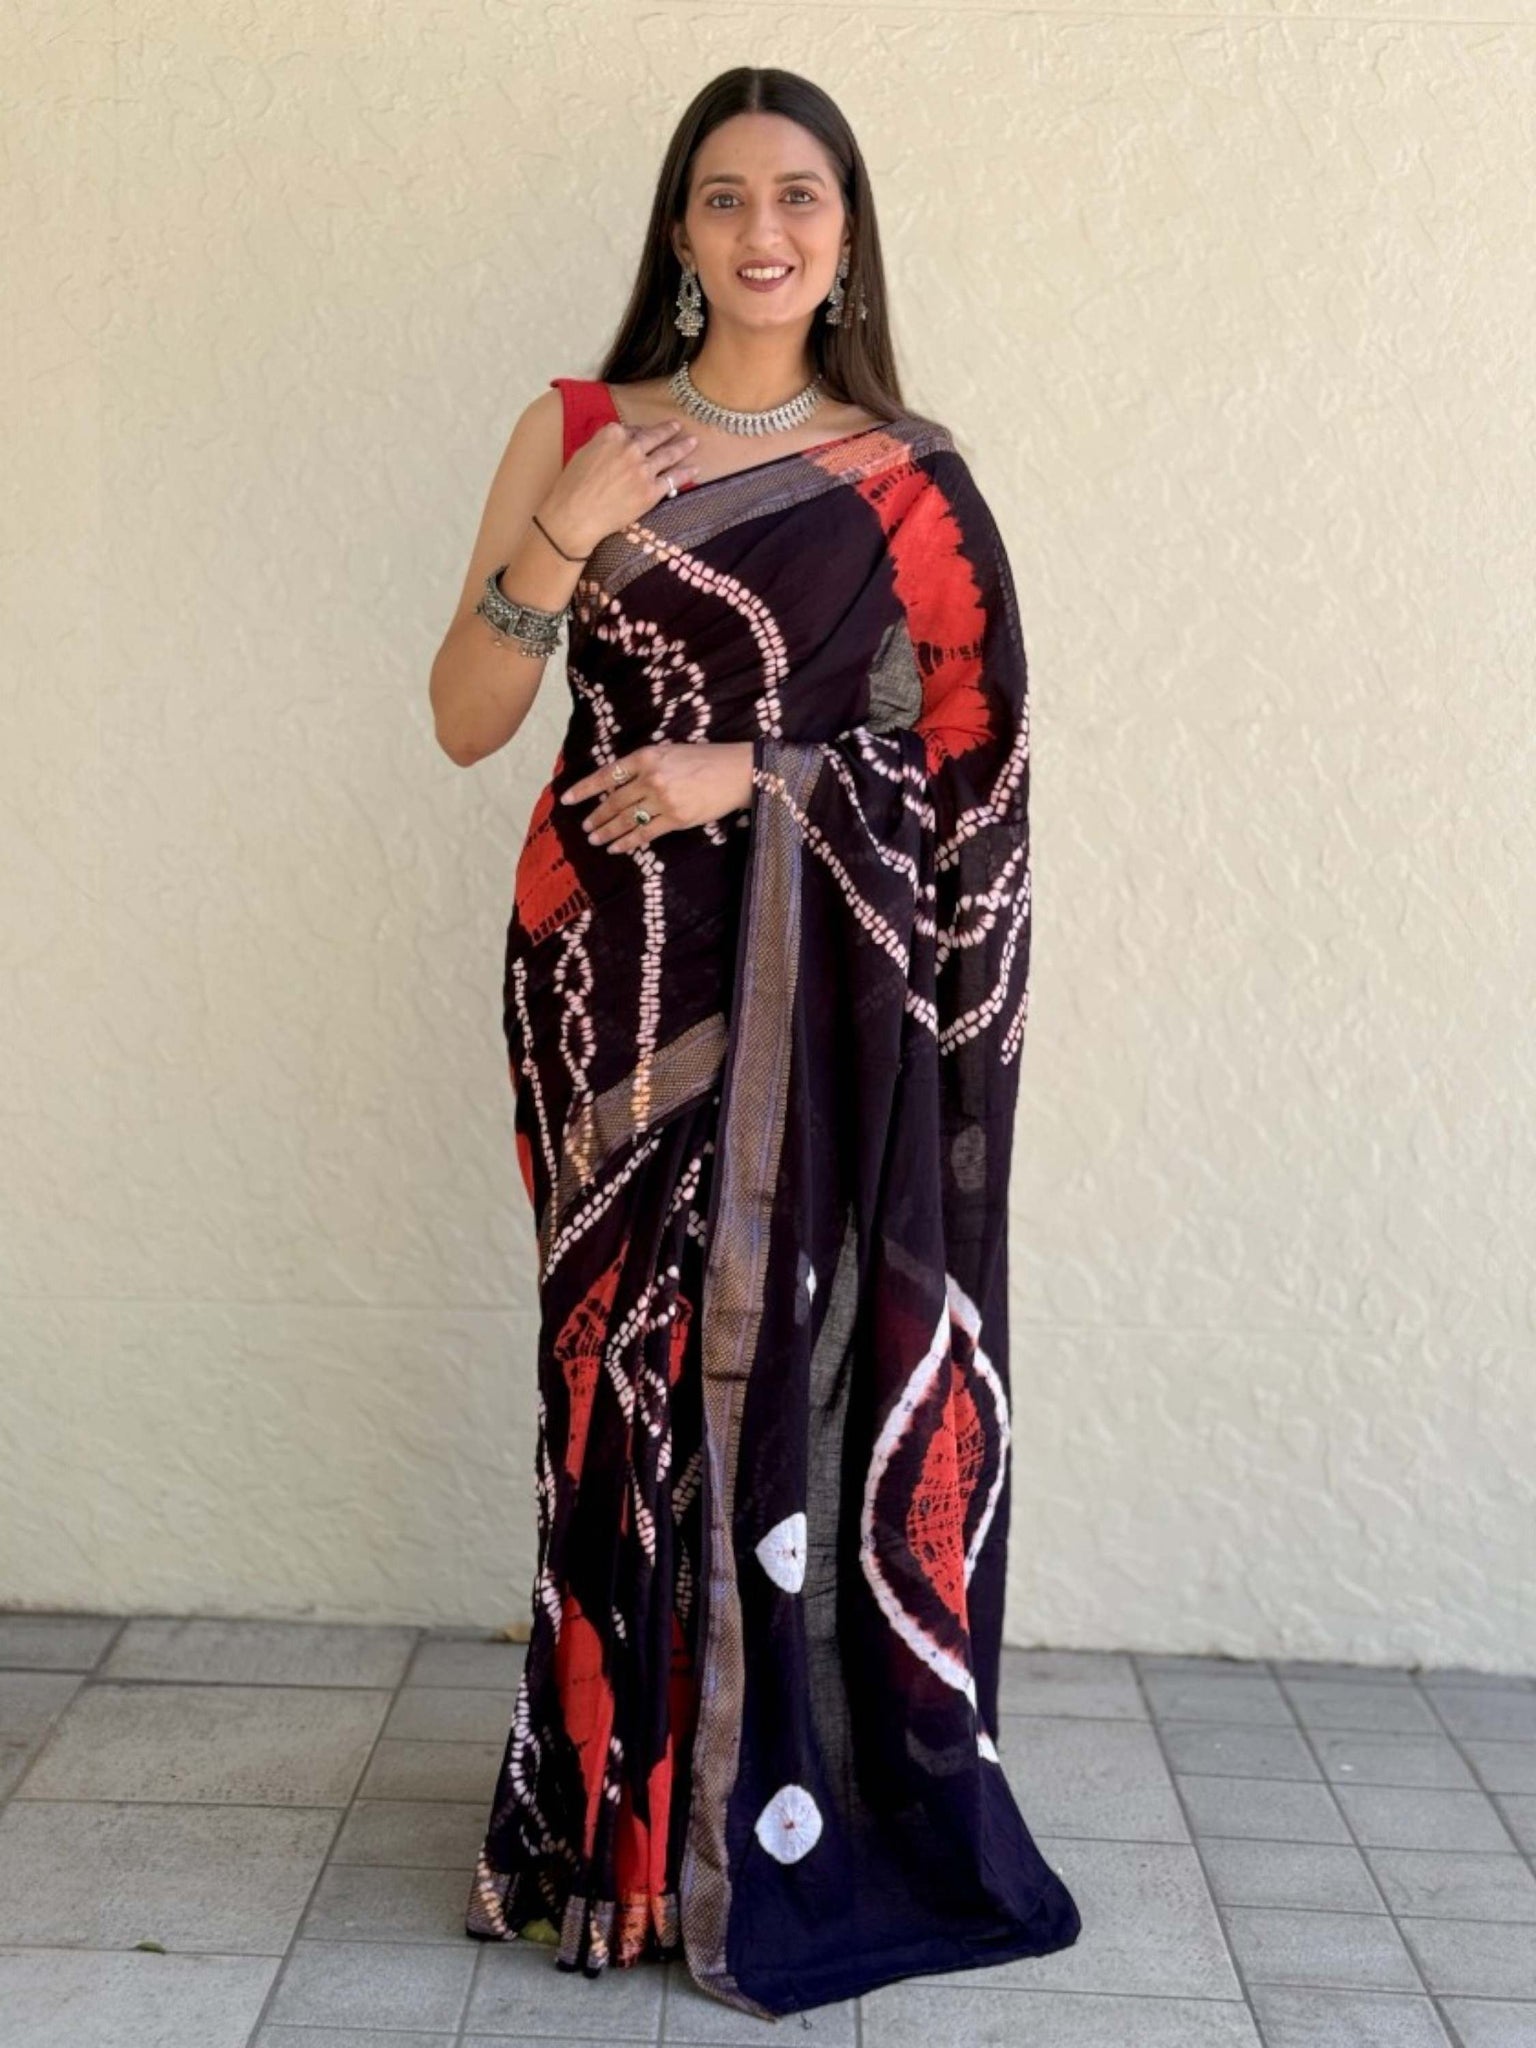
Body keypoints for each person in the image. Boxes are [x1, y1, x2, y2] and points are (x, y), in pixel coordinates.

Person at [429, 62, 1081, 2024]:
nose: (762, 230)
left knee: (780, 1376)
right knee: (615, 1392)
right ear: (679, 230)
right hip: (604, 989)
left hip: (819, 1004)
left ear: (846, 233)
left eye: (798, 195)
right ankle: (611, 1833)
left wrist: (762, 778)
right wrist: (558, 543)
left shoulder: (912, 483)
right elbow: (465, 718)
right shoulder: (577, 430)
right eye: (724, 197)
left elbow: (969, 778)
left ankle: (764, 1814)